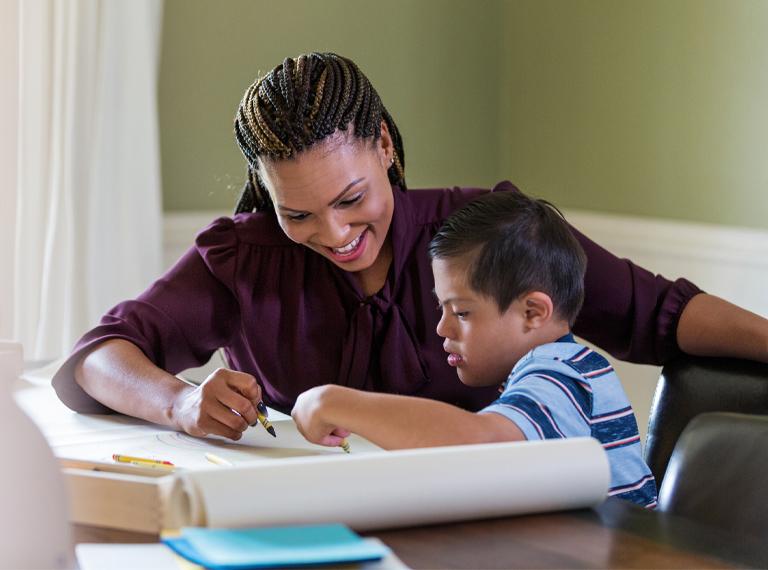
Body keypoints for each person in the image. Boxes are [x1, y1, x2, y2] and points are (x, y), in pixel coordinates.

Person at [52, 52, 768, 443]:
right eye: (297, 212)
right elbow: (100, 355)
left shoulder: (489, 231)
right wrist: (178, 404)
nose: (334, 235)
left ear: (385, 147)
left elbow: (657, 314)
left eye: (351, 198)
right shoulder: (246, 256)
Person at [291, 191, 657, 507]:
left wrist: (334, 403)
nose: (442, 328)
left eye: (462, 312)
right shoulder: (558, 371)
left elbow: (483, 445)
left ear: (532, 312)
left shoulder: (561, 374)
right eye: (442, 309)